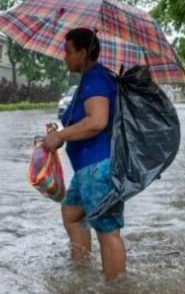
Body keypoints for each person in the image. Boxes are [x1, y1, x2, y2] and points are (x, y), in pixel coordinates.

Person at [43, 28, 126, 280]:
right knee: (72, 214)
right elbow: (85, 122)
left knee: (106, 229)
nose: (64, 57)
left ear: (84, 52)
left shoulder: (96, 79)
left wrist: (61, 136)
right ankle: (81, 273)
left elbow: (98, 121)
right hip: (86, 170)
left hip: (99, 167)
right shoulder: (88, 80)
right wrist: (59, 133)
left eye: (68, 51)